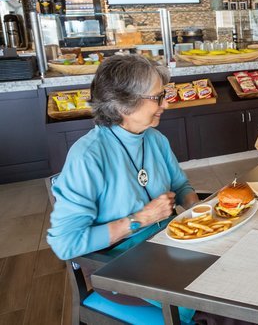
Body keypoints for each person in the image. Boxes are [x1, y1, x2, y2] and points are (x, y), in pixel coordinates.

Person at [48, 54, 198, 261]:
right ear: (122, 105)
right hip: (123, 263)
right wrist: (142, 219)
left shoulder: (155, 138)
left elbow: (180, 186)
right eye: (157, 98)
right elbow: (65, 244)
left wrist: (199, 211)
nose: (166, 105)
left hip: (171, 241)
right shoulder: (87, 156)